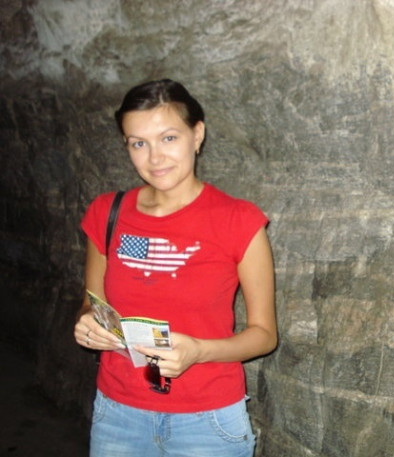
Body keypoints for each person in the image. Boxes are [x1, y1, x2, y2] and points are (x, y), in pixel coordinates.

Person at [73, 79, 277, 457]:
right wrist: (89, 325)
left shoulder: (238, 220)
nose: (155, 158)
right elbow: (93, 303)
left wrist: (199, 351)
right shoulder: (107, 214)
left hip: (207, 419)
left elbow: (264, 335)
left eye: (169, 138)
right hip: (119, 412)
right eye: (139, 143)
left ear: (196, 135)